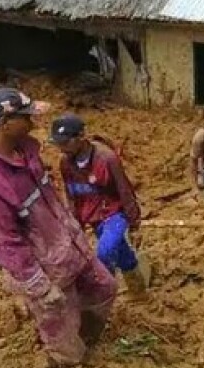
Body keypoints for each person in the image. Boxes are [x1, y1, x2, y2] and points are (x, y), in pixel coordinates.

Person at [0, 88, 117, 368]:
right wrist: (40, 287)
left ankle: (85, 335)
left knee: (105, 287)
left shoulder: (27, 151)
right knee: (67, 344)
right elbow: (4, 244)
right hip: (47, 270)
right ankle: (63, 367)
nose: (33, 122)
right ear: (4, 124)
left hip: (70, 248)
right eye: (26, 117)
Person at [51, 114, 150, 294]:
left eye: (66, 143)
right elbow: (71, 195)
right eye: (59, 144)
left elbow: (125, 190)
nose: (62, 148)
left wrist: (135, 223)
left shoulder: (107, 158)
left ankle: (104, 295)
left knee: (104, 253)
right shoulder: (65, 163)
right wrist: (75, 224)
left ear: (81, 137)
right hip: (92, 216)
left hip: (114, 213)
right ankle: (139, 289)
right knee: (121, 253)